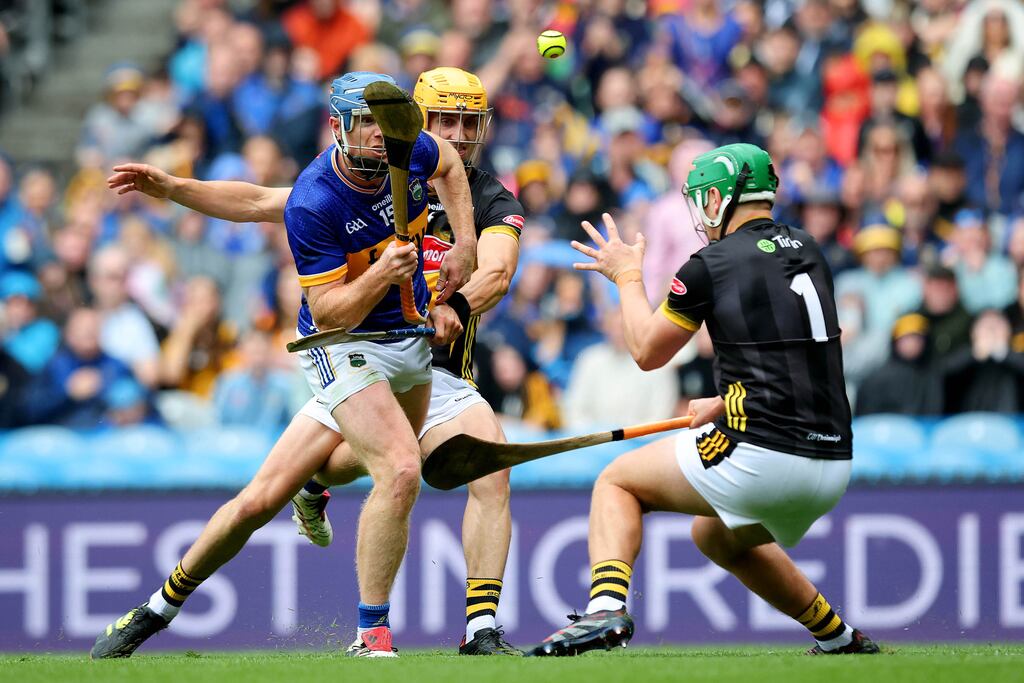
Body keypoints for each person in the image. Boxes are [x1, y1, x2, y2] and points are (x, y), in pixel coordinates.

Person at [93, 67, 526, 657]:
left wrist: (460, 270)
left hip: (422, 351)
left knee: (273, 492)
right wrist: (175, 188)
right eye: (442, 120)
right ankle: (366, 636)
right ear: (347, 126)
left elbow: (489, 256)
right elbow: (300, 268)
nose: (455, 134)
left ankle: (472, 623)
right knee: (398, 469)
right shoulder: (320, 194)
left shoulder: (449, 170)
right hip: (343, 345)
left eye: (467, 122)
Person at [530, 143, 879, 656]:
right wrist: (726, 399)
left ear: (720, 197)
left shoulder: (708, 265)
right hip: (833, 462)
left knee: (617, 482)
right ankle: (838, 637)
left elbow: (647, 352)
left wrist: (626, 275)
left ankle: (604, 609)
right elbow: (794, 356)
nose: (699, 210)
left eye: (702, 198)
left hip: (764, 456)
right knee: (714, 535)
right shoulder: (808, 248)